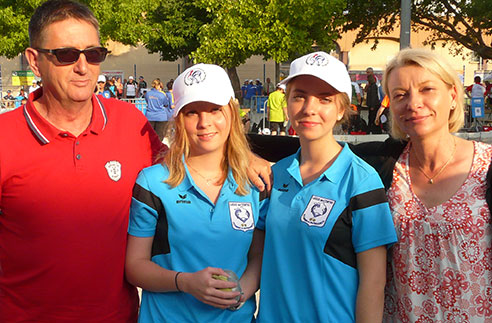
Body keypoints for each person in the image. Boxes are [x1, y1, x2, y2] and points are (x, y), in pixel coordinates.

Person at [0, 0, 166, 321]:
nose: (82, 67)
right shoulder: (4, 137)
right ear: (34, 61)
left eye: (93, 54)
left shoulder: (130, 122)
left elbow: (188, 170)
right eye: (66, 54)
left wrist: (249, 162)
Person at [257, 51, 397, 322]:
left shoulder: (362, 181)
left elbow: (373, 283)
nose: (309, 108)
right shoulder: (275, 175)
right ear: (286, 103)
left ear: (341, 109)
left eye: (324, 99)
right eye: (299, 96)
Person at [354, 48, 492, 322]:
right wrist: (250, 157)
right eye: (400, 95)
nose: (413, 103)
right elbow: (315, 153)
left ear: (453, 96)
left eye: (427, 89)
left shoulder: (487, 167)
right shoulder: (381, 164)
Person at [125, 63, 265, 322]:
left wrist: (239, 293)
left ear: (232, 114)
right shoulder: (153, 182)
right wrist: (186, 282)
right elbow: (135, 267)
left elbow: (258, 257)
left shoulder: (255, 182)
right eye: (192, 112)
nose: (204, 123)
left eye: (215, 110)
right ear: (178, 119)